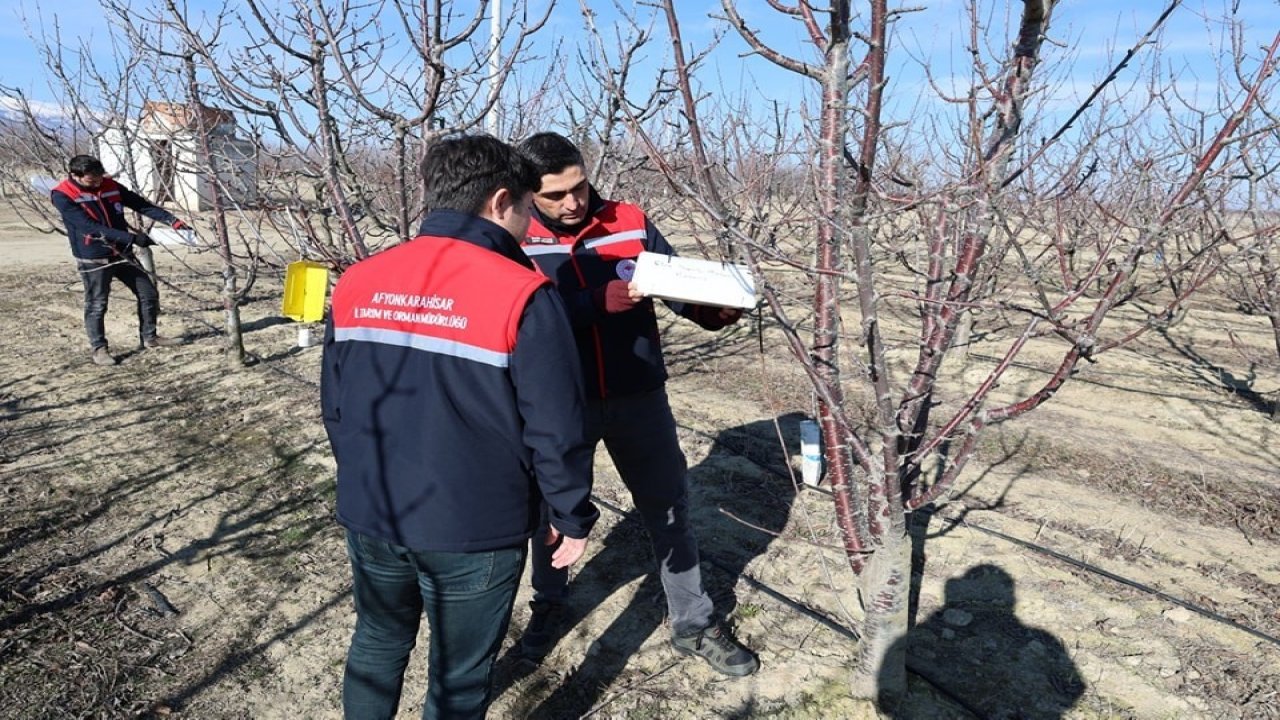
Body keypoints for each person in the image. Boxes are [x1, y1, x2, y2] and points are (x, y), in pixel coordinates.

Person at [321, 134, 599, 719]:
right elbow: (556, 428)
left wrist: (364, 478)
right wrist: (571, 514)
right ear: (502, 202)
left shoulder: (358, 280)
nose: (530, 224)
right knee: (459, 677)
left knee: (375, 641)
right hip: (476, 527)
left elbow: (336, 405)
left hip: (374, 510)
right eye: (528, 207)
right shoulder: (522, 293)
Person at [515, 132, 758, 677]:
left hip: (638, 395)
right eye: (556, 195)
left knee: (669, 508)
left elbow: (671, 283)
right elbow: (520, 321)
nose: (574, 203)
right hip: (560, 403)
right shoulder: (516, 236)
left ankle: (693, 624)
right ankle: (549, 605)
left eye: (579, 186)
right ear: (529, 195)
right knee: (551, 512)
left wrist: (713, 312)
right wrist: (590, 304)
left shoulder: (628, 219)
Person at [50, 154, 189, 366]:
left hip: (122, 253)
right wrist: (132, 238)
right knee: (97, 304)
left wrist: (172, 221)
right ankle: (99, 349)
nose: (97, 183)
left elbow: (139, 204)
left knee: (148, 293)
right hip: (94, 256)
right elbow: (89, 227)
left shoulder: (110, 185)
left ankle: (150, 337)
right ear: (75, 175)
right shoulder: (62, 195)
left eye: (99, 178)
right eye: (91, 180)